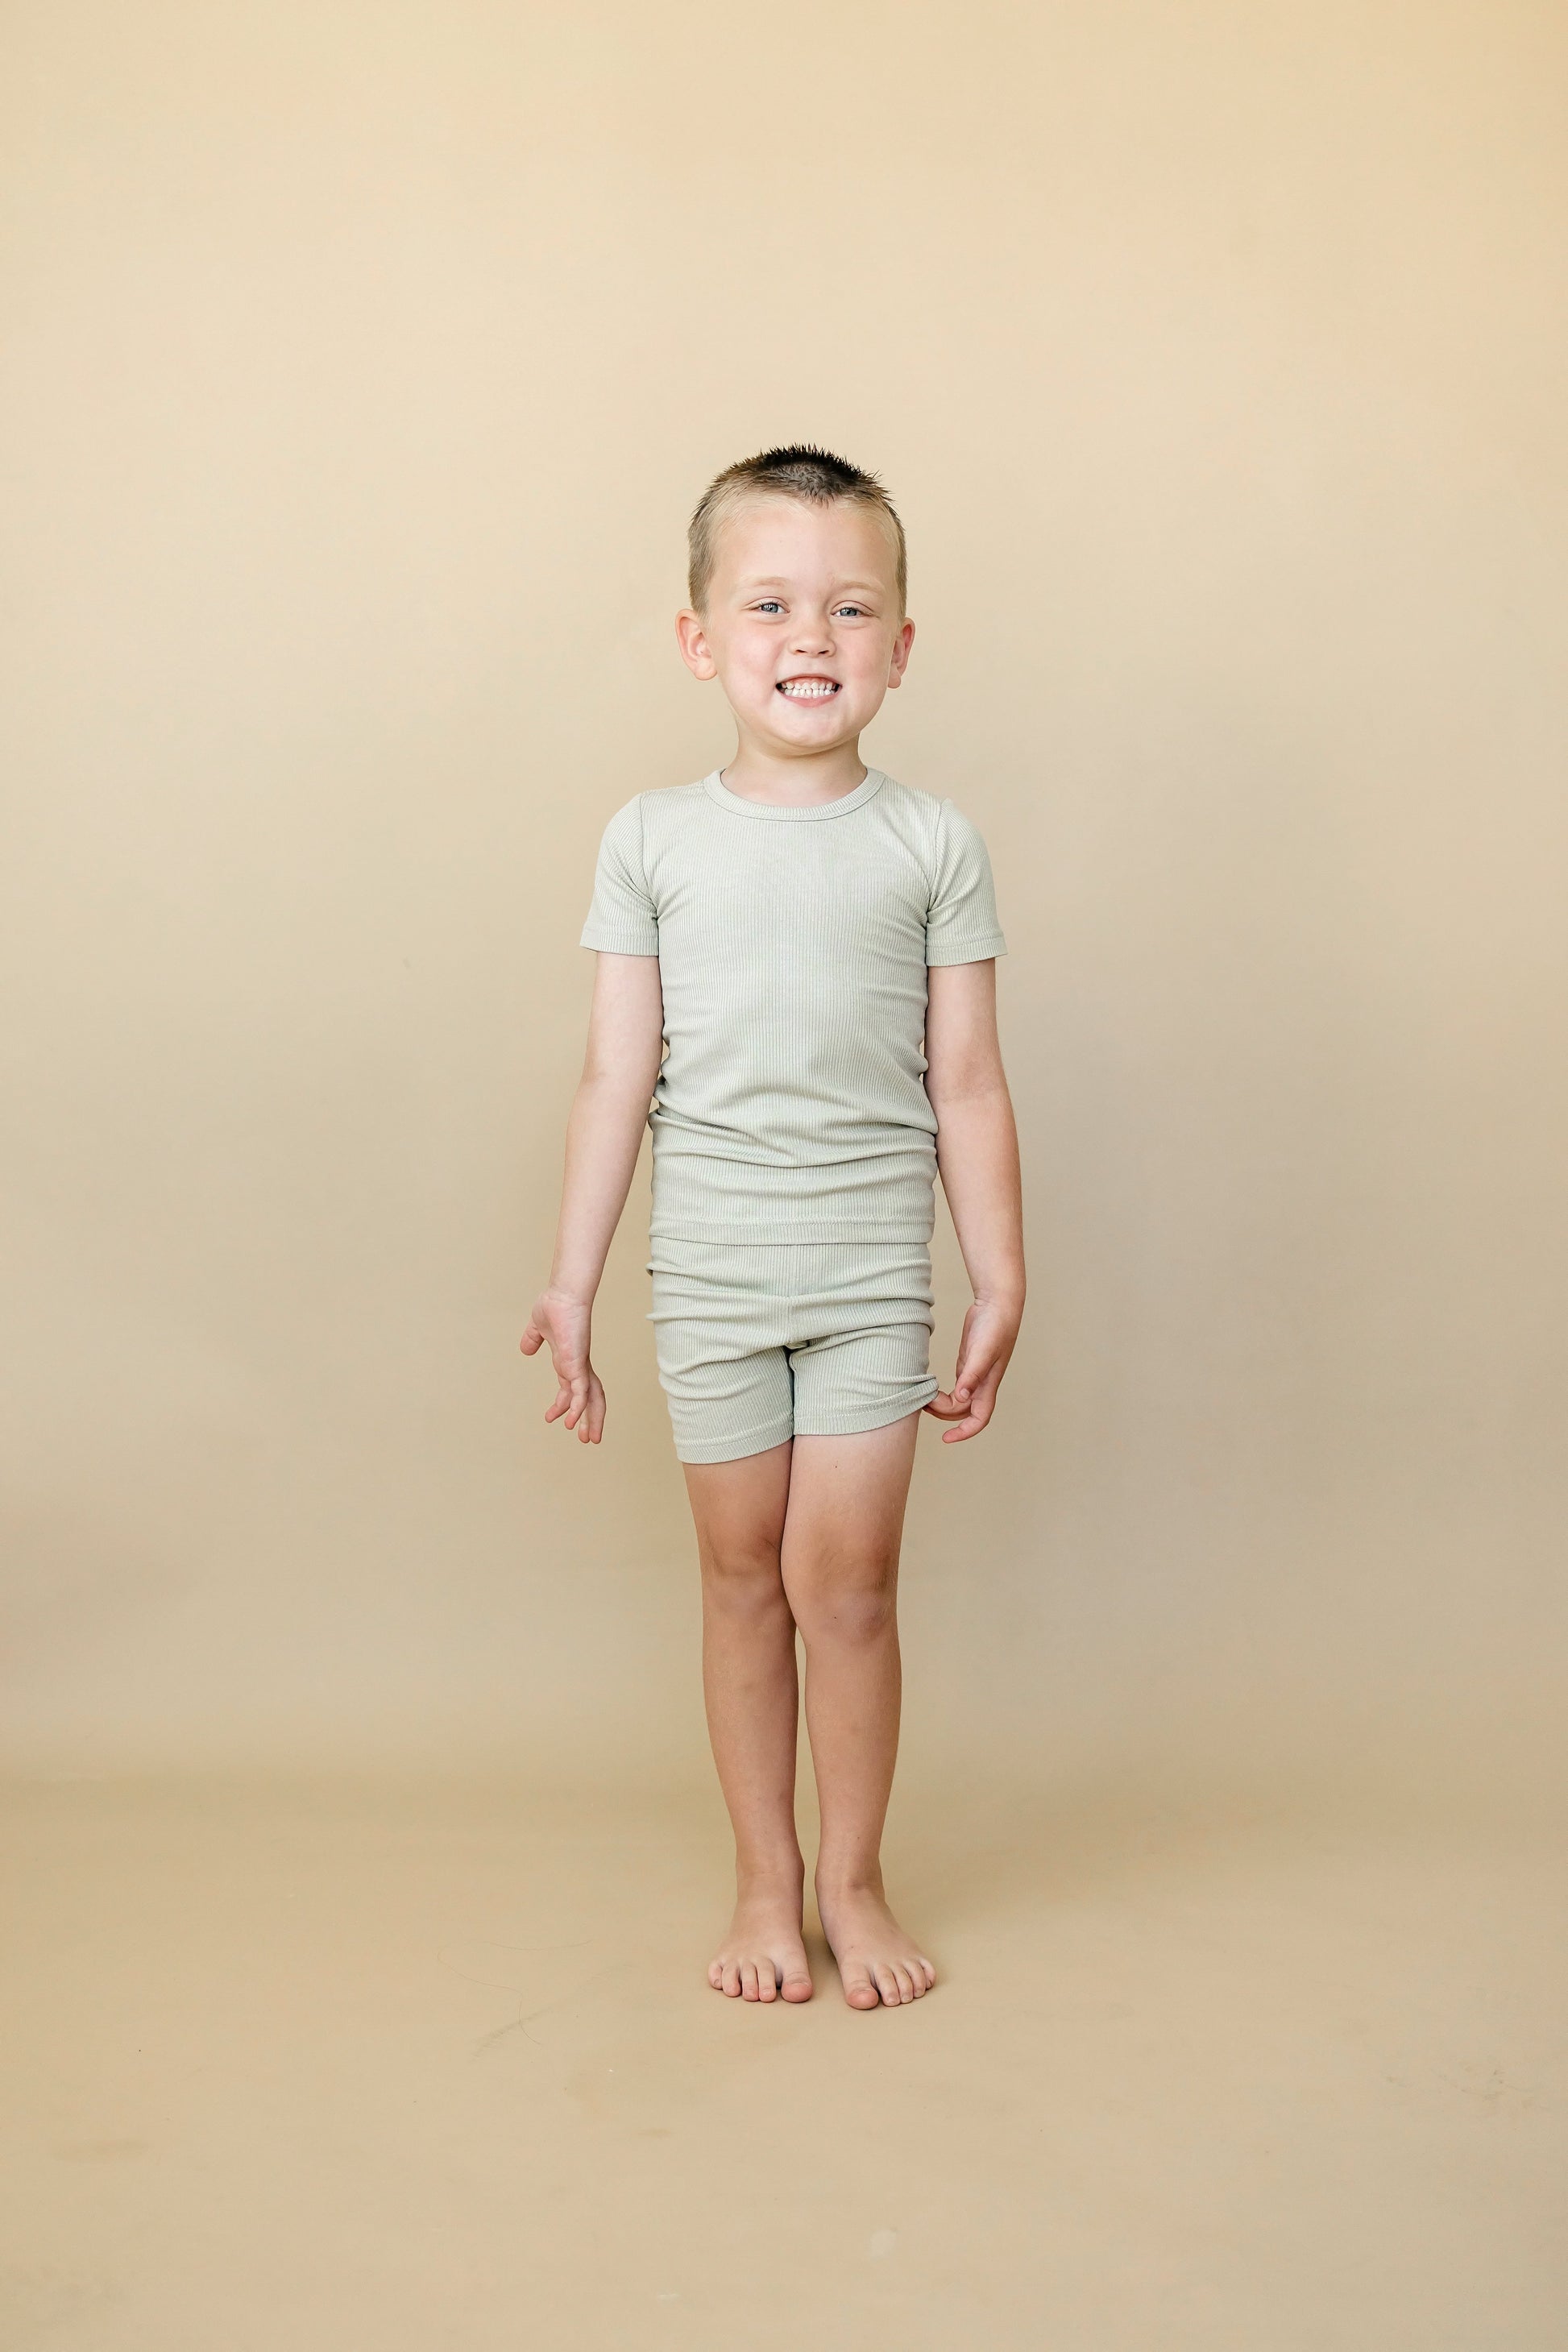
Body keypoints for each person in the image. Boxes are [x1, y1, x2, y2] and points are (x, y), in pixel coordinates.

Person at [522, 446, 1024, 2010]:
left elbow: (965, 1079)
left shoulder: (930, 842)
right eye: (769, 604)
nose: (811, 636)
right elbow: (615, 1077)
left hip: (869, 1274)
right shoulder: (650, 839)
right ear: (699, 639)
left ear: (899, 646)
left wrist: (999, 1273)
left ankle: (855, 1883)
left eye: (849, 607)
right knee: (742, 1576)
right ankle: (765, 1881)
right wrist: (572, 1284)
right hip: (710, 1277)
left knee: (845, 1582)